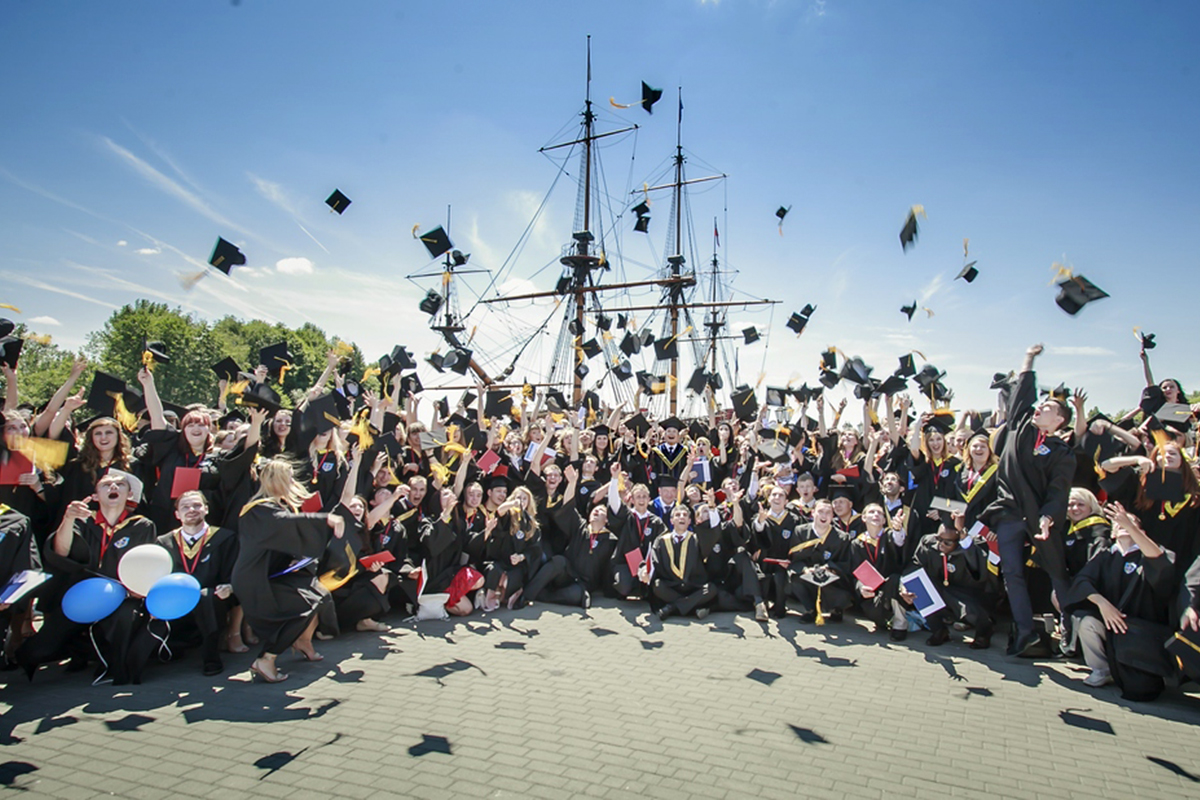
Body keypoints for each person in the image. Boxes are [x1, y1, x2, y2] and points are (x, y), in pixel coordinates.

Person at [17, 470, 159, 683]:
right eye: (106, 484)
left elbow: (146, 563)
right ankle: (67, 654)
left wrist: (138, 588)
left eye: (120, 484)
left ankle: (115, 670)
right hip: (81, 594)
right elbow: (61, 551)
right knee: (42, 646)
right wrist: (68, 519)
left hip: (123, 595)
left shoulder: (142, 525)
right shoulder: (83, 521)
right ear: (95, 495)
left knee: (124, 618)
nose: (113, 487)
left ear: (130, 494)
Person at [983, 343, 1076, 657]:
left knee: (1056, 571)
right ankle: (1025, 631)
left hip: (1039, 517)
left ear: (1059, 420)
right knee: (1012, 573)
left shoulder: (1062, 453)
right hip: (1010, 512)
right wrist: (1028, 358)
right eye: (1041, 404)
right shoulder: (1019, 424)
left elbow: (1058, 491)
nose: (1040, 408)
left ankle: (1071, 631)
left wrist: (1048, 517)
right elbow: (1023, 390)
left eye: (1048, 407)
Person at [232, 458, 344, 683]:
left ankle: (295, 645)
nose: (293, 482)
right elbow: (285, 523)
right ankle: (267, 659)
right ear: (277, 480)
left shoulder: (274, 506)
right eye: (289, 478)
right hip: (255, 578)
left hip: (269, 574)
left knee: (314, 597)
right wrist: (326, 520)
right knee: (302, 606)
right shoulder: (259, 509)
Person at [1063, 502, 1176, 700]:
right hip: (1111, 624)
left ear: (1142, 532)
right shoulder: (1106, 556)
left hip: (1140, 632)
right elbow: (1082, 581)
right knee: (1086, 621)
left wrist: (1130, 526)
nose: (1123, 525)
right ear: (1113, 533)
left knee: (1141, 690)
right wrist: (1102, 604)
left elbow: (1160, 563)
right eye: (1119, 524)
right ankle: (1101, 669)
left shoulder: (1150, 553)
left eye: (1129, 523)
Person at [156, 490, 238, 676]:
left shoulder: (224, 538)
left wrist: (229, 586)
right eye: (185, 507)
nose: (191, 510)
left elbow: (232, 573)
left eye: (197, 505)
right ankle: (171, 646)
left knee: (206, 597)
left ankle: (211, 657)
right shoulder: (164, 542)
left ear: (206, 509)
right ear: (177, 514)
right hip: (177, 598)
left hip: (211, 598)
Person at [905, 522, 998, 649]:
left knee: (972, 611)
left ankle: (984, 632)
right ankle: (939, 630)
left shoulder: (971, 548)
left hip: (967, 594)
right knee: (919, 588)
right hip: (940, 589)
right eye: (938, 539)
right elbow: (914, 567)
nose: (940, 544)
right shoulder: (928, 543)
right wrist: (904, 587)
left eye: (947, 542)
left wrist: (967, 545)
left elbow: (980, 572)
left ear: (958, 541)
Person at [651, 503, 716, 620]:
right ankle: (692, 607)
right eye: (677, 515)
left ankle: (672, 608)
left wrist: (711, 508)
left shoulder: (697, 539)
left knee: (711, 589)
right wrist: (645, 573)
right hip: (672, 587)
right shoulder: (661, 541)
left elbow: (713, 534)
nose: (681, 517)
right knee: (657, 585)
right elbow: (654, 562)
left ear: (689, 521)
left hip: (694, 587)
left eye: (685, 515)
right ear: (671, 521)